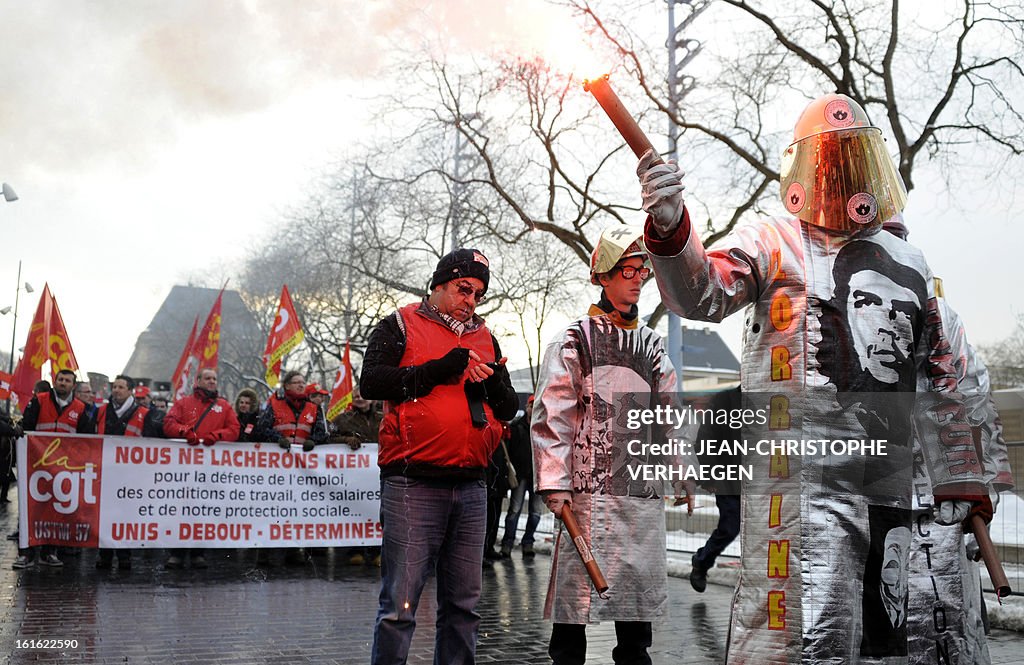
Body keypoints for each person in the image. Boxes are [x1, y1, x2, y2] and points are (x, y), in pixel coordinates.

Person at [636, 92, 990, 662]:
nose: (845, 173)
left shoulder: (912, 264)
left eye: (856, 157)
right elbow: (701, 291)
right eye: (833, 159)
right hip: (802, 490)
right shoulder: (773, 241)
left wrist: (966, 474)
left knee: (899, 634)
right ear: (807, 167)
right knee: (806, 632)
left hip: (900, 488)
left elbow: (948, 377)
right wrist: (673, 231)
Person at [532, 226, 694, 665]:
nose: (638, 278)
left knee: (636, 622)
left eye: (642, 270)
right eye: (628, 270)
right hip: (585, 499)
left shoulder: (653, 346)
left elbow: (669, 414)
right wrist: (554, 482)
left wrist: (680, 470)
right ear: (602, 276)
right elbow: (554, 414)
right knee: (573, 615)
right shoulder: (574, 339)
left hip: (638, 496)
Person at [361, 247, 518, 665]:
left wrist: (496, 386)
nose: (471, 301)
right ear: (440, 283)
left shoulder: (486, 336)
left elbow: (507, 411)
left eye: (479, 294)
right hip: (413, 481)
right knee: (400, 606)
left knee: (464, 608)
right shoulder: (400, 323)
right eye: (464, 289)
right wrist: (436, 370)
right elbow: (371, 382)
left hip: (471, 483)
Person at [13, 369, 94, 569]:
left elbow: (87, 438)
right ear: (55, 381)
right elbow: (27, 427)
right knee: (30, 509)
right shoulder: (39, 401)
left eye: (67, 380)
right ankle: (26, 553)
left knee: (57, 510)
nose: (63, 383)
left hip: (63, 469)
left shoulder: (81, 408)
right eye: (60, 380)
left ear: (73, 385)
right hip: (36, 465)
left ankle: (50, 552)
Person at [162, 368, 240, 569]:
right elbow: (169, 423)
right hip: (184, 468)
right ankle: (177, 553)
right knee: (181, 509)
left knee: (202, 509)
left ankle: (198, 552)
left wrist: (217, 435)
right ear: (198, 381)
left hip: (210, 470)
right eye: (208, 378)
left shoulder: (224, 406)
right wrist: (184, 432)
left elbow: (234, 430)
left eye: (214, 378)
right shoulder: (184, 403)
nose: (212, 381)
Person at [254, 371, 325, 566]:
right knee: (272, 509)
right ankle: (265, 552)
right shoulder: (274, 405)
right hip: (276, 469)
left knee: (298, 509)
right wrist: (278, 440)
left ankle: (294, 550)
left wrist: (313, 441)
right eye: (296, 382)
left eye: (303, 382)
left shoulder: (314, 408)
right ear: (286, 386)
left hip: (301, 471)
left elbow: (322, 432)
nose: (301, 385)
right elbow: (261, 428)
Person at [94, 375, 161, 570]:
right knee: (106, 515)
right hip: (106, 471)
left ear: (130, 390)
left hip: (131, 476)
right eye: (115, 387)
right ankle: (104, 553)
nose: (116, 390)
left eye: (121, 387)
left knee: (125, 516)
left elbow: (149, 443)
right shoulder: (101, 412)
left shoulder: (144, 413)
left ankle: (124, 555)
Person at [688, 387, 742, 593]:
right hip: (728, 476)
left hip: (762, 478)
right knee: (730, 526)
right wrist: (711, 475)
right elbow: (706, 437)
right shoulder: (725, 399)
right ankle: (702, 561)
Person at [329, 388, 384, 566]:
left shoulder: (383, 417)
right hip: (353, 477)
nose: (359, 398)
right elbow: (328, 437)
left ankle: (378, 551)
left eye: (362, 395)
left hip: (378, 474)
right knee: (354, 511)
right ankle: (355, 551)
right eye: (355, 396)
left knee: (377, 511)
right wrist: (345, 440)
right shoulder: (342, 419)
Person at [499, 395, 542, 558]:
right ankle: (507, 544)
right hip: (522, 475)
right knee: (514, 510)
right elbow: (510, 451)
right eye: (531, 405)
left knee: (535, 513)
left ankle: (527, 543)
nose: (533, 408)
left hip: (537, 476)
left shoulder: (543, 428)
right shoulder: (517, 427)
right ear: (527, 407)